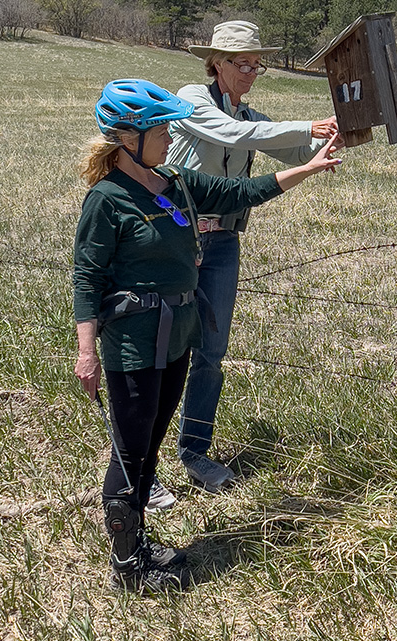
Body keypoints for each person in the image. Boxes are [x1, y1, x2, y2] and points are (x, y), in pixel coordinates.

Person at [73, 78, 341, 594]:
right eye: (162, 130)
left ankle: (139, 543)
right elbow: (88, 277)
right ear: (129, 138)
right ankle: (128, 567)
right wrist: (87, 352)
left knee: (151, 444)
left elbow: (243, 192)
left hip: (176, 336)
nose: (172, 138)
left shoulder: (174, 181)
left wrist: (306, 168)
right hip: (132, 343)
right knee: (132, 451)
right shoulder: (106, 200)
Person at [154, 20, 339, 497]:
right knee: (160, 351)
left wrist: (341, 133)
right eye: (243, 64)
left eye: (258, 64)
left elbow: (296, 146)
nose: (252, 72)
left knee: (211, 354)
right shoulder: (191, 98)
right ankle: (141, 463)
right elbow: (234, 135)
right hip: (177, 239)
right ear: (216, 64)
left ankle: (195, 451)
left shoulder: (251, 114)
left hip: (223, 244)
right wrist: (303, 126)